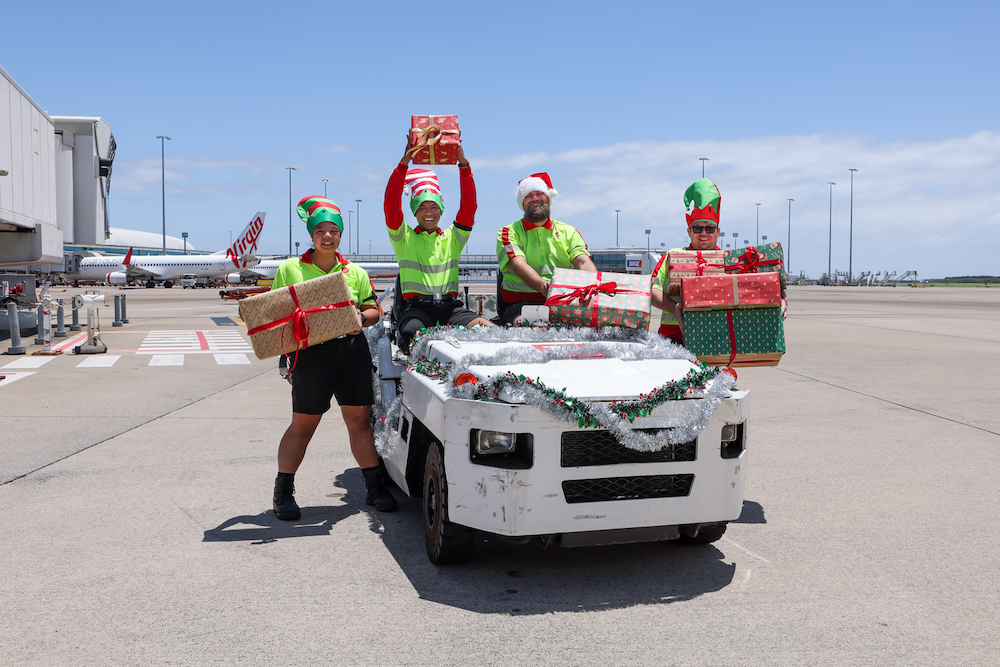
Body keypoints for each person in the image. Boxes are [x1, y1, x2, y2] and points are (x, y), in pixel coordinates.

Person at [271, 195, 397, 521]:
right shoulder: (290, 268)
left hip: (351, 350)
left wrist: (361, 318)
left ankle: (373, 487)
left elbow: (373, 310)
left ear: (341, 234)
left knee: (359, 421)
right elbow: (276, 312)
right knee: (305, 423)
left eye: (334, 230)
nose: (328, 236)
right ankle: (283, 492)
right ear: (311, 235)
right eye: (321, 230)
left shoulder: (354, 272)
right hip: (312, 354)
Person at [383, 139, 493, 352]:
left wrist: (464, 166)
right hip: (417, 309)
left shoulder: (453, 238)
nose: (429, 212)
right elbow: (390, 205)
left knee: (490, 330)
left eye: (434, 206)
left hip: (450, 309)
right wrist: (404, 162)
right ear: (414, 212)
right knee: (410, 333)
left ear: (441, 210)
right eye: (422, 207)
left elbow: (469, 208)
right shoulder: (403, 237)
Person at [651, 178, 786, 344]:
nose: (703, 232)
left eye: (709, 228)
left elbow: (760, 285)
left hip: (716, 337)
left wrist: (781, 298)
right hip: (672, 337)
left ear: (718, 231)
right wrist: (674, 308)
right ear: (689, 231)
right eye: (697, 228)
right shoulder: (672, 256)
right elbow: (653, 292)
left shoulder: (730, 261)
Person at [496, 172, 597, 325]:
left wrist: (593, 285)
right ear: (522, 203)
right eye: (529, 195)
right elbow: (518, 264)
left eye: (539, 194)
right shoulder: (508, 232)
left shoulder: (569, 232)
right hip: (521, 304)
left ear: (548, 199)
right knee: (528, 326)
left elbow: (583, 262)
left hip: (564, 303)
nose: (535, 198)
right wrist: (545, 287)